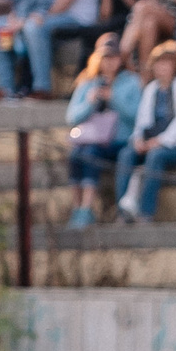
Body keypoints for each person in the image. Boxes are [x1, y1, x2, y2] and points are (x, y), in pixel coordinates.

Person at [114, 41, 176, 219]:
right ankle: (123, 210)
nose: (161, 68)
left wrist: (161, 141)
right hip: (153, 141)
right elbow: (142, 122)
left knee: (156, 156)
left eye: (166, 63)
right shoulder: (151, 89)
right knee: (127, 154)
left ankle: (145, 212)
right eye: (158, 63)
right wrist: (139, 139)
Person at [62, 37, 140, 225]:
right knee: (76, 155)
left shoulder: (131, 82)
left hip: (119, 140)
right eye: (105, 57)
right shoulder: (87, 82)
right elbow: (72, 118)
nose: (110, 62)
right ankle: (78, 207)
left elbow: (137, 116)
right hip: (91, 138)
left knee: (90, 154)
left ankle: (87, 208)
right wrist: (89, 102)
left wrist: (114, 98)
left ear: (120, 59)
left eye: (113, 57)